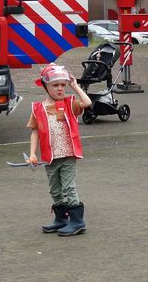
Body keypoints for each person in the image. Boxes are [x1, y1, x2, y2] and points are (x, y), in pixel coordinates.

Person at [26, 63, 92, 236]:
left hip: (68, 155)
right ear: (45, 86)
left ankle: (77, 221)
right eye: (55, 85)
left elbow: (87, 102)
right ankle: (61, 219)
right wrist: (32, 154)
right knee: (55, 189)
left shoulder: (70, 104)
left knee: (69, 188)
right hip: (50, 158)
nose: (60, 89)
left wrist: (75, 86)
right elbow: (35, 133)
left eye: (63, 85)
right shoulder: (37, 108)